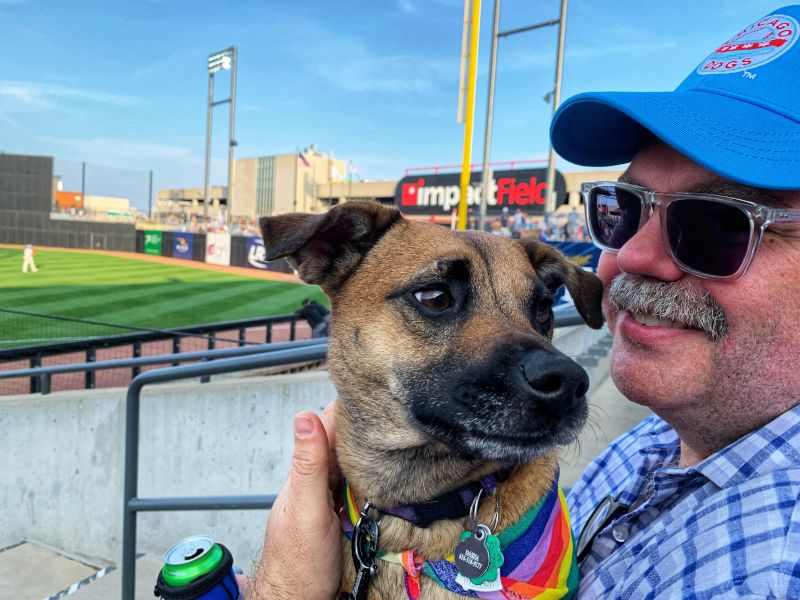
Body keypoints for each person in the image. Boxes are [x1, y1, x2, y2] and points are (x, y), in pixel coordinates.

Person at [247, 6, 800, 599]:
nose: (631, 257)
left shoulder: (769, 572)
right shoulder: (663, 440)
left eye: (719, 227)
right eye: (625, 209)